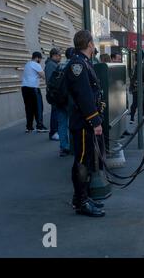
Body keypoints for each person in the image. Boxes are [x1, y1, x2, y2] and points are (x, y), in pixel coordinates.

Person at [65, 30, 106, 217]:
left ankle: (82, 197)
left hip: (85, 121)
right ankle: (81, 202)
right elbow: (84, 96)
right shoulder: (77, 65)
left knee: (86, 159)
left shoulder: (84, 62)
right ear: (89, 44)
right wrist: (95, 121)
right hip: (83, 122)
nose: (94, 45)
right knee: (82, 161)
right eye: (93, 42)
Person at [21, 52, 48, 133]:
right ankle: (40, 126)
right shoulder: (36, 64)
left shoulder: (27, 64)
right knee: (38, 107)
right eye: (40, 59)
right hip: (33, 88)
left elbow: (33, 75)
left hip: (24, 88)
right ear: (37, 58)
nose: (40, 60)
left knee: (28, 108)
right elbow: (44, 76)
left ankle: (29, 127)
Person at [45, 48, 62, 141]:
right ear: (54, 55)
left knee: (56, 112)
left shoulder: (52, 64)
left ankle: (55, 132)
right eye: (59, 55)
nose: (60, 57)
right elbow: (51, 81)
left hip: (54, 92)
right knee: (55, 112)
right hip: (54, 93)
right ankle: (53, 132)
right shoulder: (51, 65)